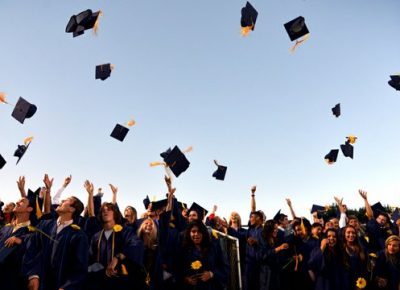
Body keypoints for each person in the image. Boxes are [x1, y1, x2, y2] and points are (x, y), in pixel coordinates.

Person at [24, 174, 88, 290]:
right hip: (38, 284)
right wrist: (33, 275)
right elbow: (32, 248)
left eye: (66, 200)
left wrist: (67, 287)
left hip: (60, 285)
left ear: (72, 209)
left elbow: (79, 268)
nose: (61, 200)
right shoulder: (45, 225)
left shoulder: (78, 235)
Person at [176, 220, 229, 290]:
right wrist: (186, 279)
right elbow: (177, 270)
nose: (196, 234)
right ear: (189, 233)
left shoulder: (214, 247)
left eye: (199, 231)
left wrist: (211, 274)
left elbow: (225, 269)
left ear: (204, 233)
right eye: (193, 231)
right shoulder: (184, 250)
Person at [0, 196, 34, 290]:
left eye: (22, 202)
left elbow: (34, 256)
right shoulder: (5, 228)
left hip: (13, 283)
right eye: (17, 200)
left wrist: (21, 242)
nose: (17, 202)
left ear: (29, 208)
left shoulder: (32, 233)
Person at [258, 219, 289, 290]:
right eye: (274, 229)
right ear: (269, 229)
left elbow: (280, 257)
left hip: (276, 274)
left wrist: (291, 258)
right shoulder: (262, 240)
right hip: (266, 274)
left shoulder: (277, 240)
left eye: (277, 228)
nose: (276, 230)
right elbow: (262, 256)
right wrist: (278, 249)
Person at [341, 225, 368, 290]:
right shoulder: (340, 248)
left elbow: (365, 268)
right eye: (348, 232)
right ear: (344, 234)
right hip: (344, 282)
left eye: (353, 233)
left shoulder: (362, 249)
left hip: (359, 282)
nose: (351, 235)